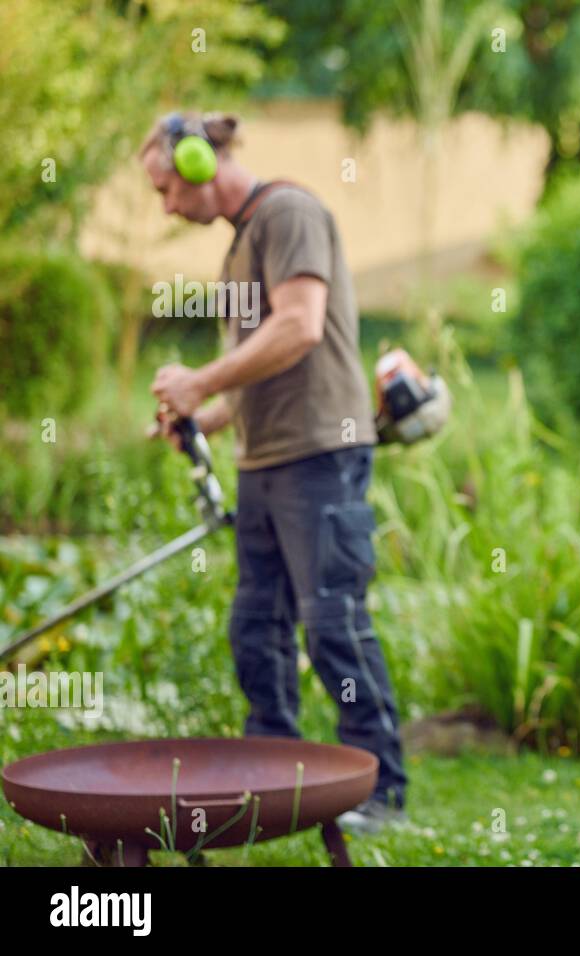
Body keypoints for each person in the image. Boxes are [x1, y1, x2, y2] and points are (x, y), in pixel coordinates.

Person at [139, 111, 408, 833]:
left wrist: (198, 380)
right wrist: (205, 415)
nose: (165, 204)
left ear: (198, 163)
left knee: (332, 626)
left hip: (319, 453)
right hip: (266, 460)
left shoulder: (288, 213)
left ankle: (380, 791)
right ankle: (274, 779)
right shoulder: (244, 240)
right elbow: (263, 368)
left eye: (166, 188)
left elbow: (299, 326)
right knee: (256, 626)